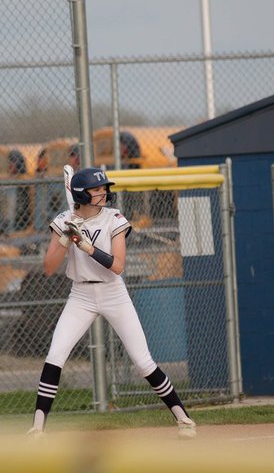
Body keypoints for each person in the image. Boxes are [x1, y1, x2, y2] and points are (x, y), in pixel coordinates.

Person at [28, 167, 196, 439]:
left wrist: (87, 247)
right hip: (81, 295)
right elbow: (48, 267)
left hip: (113, 293)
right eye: (97, 190)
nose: (104, 192)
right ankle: (37, 428)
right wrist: (65, 238)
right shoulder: (64, 219)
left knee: (143, 362)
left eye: (104, 188)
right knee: (55, 355)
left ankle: (184, 419)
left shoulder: (114, 218)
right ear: (82, 194)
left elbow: (117, 266)